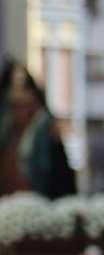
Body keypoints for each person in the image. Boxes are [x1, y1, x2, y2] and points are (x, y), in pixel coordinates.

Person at [0, 60, 76, 198]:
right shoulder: (6, 127)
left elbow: (61, 178)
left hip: (36, 200)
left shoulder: (46, 128)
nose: (21, 110)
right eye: (15, 105)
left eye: (26, 104)